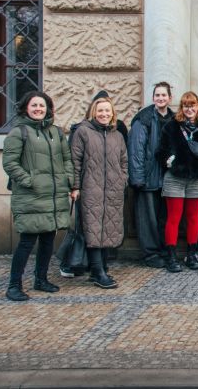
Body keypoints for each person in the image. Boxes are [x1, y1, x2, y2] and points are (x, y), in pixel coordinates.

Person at [2, 91, 74, 301]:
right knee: (27, 241)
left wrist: (70, 182)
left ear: (48, 108)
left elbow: (67, 159)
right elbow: (10, 163)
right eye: (34, 106)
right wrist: (30, 181)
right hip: (32, 196)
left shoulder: (56, 132)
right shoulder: (19, 132)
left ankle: (40, 279)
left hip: (53, 195)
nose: (38, 109)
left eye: (42, 106)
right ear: (26, 108)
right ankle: (14, 285)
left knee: (48, 240)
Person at [70, 96, 127, 289]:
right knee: (93, 229)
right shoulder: (83, 132)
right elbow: (75, 161)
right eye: (100, 110)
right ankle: (97, 272)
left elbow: (123, 161)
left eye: (107, 111)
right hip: (90, 188)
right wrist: (75, 186)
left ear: (113, 113)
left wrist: (122, 180)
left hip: (112, 189)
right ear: (94, 112)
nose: (104, 114)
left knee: (108, 228)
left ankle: (102, 266)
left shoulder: (116, 135)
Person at [157, 91, 198, 273]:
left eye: (192, 105)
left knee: (193, 218)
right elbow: (160, 151)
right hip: (175, 177)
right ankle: (171, 256)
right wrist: (169, 160)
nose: (189, 109)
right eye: (185, 105)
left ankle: (192, 254)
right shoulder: (171, 127)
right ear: (181, 107)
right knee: (173, 218)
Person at [128, 82, 174, 268]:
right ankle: (150, 254)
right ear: (153, 98)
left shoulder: (173, 118)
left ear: (170, 98)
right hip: (148, 177)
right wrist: (137, 178)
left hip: (168, 178)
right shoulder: (144, 119)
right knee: (148, 218)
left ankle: (164, 250)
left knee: (164, 217)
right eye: (157, 95)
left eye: (164, 95)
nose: (161, 98)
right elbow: (136, 151)